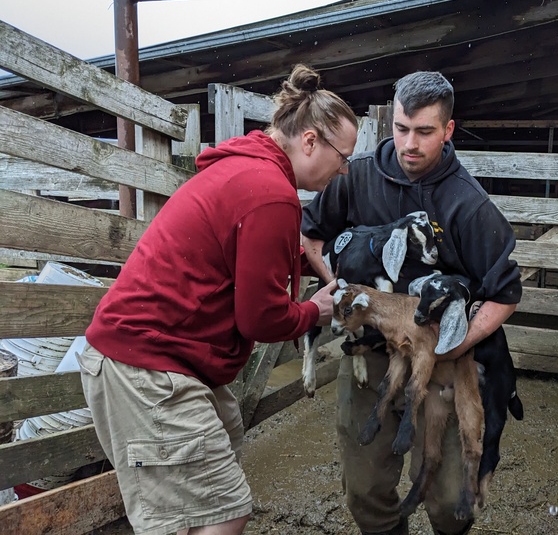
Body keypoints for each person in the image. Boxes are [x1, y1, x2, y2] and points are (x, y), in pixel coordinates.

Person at [78, 64, 358, 535]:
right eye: (343, 156)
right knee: (219, 513)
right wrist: (316, 310)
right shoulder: (269, 193)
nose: (345, 169)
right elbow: (260, 318)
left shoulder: (250, 171)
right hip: (146, 366)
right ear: (310, 142)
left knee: (220, 462)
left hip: (174, 358)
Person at [301, 71, 521, 535]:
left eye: (424, 132)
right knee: (364, 489)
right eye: (402, 129)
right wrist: (342, 289)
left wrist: (456, 344)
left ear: (448, 130)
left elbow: (504, 295)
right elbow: (310, 234)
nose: (410, 144)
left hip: (443, 363)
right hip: (371, 355)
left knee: (446, 501)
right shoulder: (355, 177)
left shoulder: (470, 205)